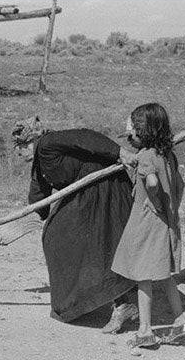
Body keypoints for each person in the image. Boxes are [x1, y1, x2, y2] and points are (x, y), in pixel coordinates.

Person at [12, 117, 138, 329]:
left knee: (84, 239)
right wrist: (38, 217)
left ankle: (123, 302)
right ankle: (82, 301)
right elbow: (39, 191)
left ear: (30, 141)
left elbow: (86, 136)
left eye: (20, 147)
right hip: (88, 194)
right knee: (54, 235)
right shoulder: (41, 160)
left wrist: (120, 153)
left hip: (105, 189)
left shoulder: (48, 142)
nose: (18, 152)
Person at [111, 102, 185, 350]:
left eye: (132, 131)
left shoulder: (145, 156)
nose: (130, 136)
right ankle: (180, 322)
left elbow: (152, 182)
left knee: (143, 277)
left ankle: (145, 330)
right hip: (166, 222)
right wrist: (170, 207)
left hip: (147, 223)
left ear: (141, 132)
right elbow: (180, 184)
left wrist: (154, 203)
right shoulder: (168, 155)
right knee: (165, 276)